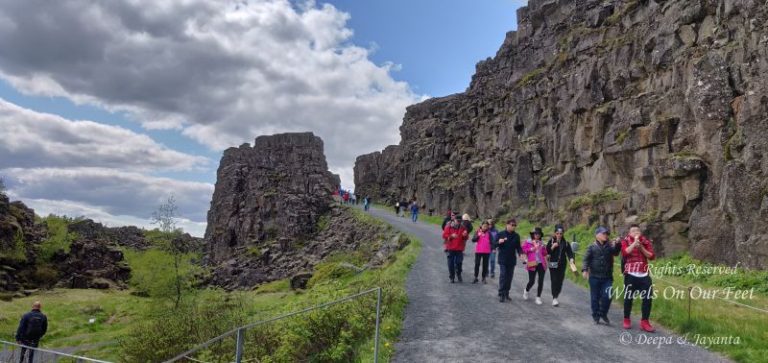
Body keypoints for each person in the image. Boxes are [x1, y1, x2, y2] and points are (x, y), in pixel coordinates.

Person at [621, 224, 656, 332]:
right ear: (629, 233)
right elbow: (625, 252)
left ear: (640, 233)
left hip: (644, 274)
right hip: (631, 274)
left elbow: (651, 256)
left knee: (647, 298)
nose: (636, 232)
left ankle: (644, 321)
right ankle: (626, 319)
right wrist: (634, 244)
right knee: (629, 298)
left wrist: (641, 247)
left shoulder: (645, 242)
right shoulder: (625, 241)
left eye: (637, 231)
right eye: (633, 231)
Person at [582, 226, 621, 325]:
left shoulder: (610, 246)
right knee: (594, 297)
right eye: (603, 233)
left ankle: (603, 313)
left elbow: (616, 252)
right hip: (594, 277)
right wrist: (585, 270)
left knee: (608, 295)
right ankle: (595, 315)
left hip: (607, 277)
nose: (606, 235)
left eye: (607, 234)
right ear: (597, 235)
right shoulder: (591, 247)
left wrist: (618, 244)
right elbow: (586, 259)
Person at [496, 219, 524, 302]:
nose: (514, 226)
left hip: (511, 260)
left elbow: (518, 247)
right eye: (512, 225)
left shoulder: (516, 236)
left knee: (509, 277)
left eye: (515, 225)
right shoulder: (501, 234)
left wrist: (521, 254)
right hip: (502, 259)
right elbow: (493, 244)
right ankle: (501, 293)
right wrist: (499, 242)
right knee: (503, 275)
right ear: (507, 225)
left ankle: (507, 292)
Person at [546, 224, 575, 306]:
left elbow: (570, 253)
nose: (559, 235)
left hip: (562, 264)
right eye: (557, 233)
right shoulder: (551, 241)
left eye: (561, 233)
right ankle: (554, 298)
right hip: (552, 263)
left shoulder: (565, 243)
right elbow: (546, 252)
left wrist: (571, 259)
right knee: (554, 280)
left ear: (563, 234)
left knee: (560, 281)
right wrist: (552, 247)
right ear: (555, 233)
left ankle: (556, 295)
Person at [522, 227, 549, 305]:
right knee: (532, 281)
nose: (537, 235)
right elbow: (523, 250)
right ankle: (526, 290)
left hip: (541, 263)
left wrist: (546, 251)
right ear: (533, 234)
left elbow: (544, 253)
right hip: (532, 263)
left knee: (541, 281)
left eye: (539, 234)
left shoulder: (541, 243)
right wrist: (531, 249)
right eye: (536, 234)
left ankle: (538, 297)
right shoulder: (528, 242)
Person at [442, 215, 468, 283]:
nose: (459, 222)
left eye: (460, 221)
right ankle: (452, 277)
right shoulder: (449, 227)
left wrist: (465, 235)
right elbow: (444, 235)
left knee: (459, 263)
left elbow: (466, 237)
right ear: (454, 220)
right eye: (457, 221)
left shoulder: (463, 227)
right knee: (450, 264)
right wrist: (451, 236)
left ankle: (458, 274)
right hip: (450, 248)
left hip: (459, 248)